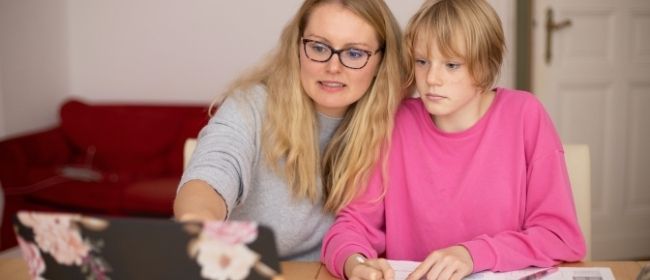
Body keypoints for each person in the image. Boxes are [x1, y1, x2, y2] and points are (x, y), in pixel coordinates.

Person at [321, 0, 586, 279]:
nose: (432, 78)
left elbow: (560, 237)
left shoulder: (524, 116)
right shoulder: (396, 122)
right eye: (422, 62)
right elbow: (353, 225)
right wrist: (355, 263)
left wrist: (473, 254)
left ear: (486, 66)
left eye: (451, 65)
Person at [173, 0, 405, 261]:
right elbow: (213, 171)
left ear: (380, 61)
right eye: (318, 47)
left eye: (354, 53)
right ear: (297, 47)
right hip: (242, 269)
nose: (333, 67)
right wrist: (199, 221)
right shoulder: (251, 105)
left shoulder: (397, 125)